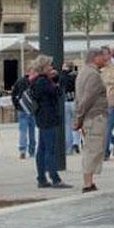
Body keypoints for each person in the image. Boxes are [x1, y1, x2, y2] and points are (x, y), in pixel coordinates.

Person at [30, 56, 71, 189]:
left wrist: (55, 78)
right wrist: (64, 75)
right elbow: (57, 91)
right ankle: (55, 178)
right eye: (49, 66)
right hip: (48, 118)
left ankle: (41, 178)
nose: (52, 68)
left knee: (41, 149)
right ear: (43, 68)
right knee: (49, 149)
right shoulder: (43, 82)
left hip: (42, 117)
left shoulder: (38, 81)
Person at [74, 48, 109, 193]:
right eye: (103, 56)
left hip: (89, 117)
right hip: (94, 117)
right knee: (93, 150)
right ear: (95, 58)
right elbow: (88, 99)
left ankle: (89, 181)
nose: (105, 59)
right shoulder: (93, 75)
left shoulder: (83, 73)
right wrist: (79, 118)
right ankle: (87, 183)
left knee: (91, 148)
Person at [100, 46, 114, 159]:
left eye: (105, 54)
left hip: (112, 102)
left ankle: (105, 152)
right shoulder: (98, 69)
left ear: (110, 55)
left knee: (107, 127)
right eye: (101, 54)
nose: (103, 56)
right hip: (100, 103)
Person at [11, 66, 37, 159]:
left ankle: (22, 150)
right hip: (32, 109)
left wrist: (16, 105)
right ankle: (32, 150)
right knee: (32, 130)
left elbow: (13, 94)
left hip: (22, 108)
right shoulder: (34, 82)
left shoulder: (19, 81)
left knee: (23, 130)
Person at [60, 63, 80, 154]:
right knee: (75, 124)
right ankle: (76, 143)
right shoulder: (75, 77)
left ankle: (68, 148)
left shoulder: (61, 77)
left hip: (65, 102)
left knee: (67, 125)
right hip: (74, 101)